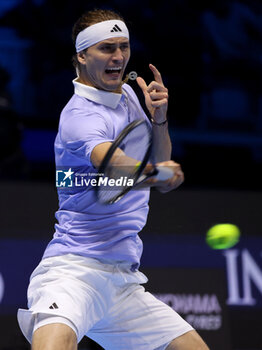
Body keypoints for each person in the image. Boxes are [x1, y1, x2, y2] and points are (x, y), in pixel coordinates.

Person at [17, 9, 209, 350]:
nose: (118, 57)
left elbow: (157, 161)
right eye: (107, 48)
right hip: (73, 271)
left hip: (123, 280)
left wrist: (159, 120)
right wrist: (159, 175)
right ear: (81, 55)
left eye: (124, 46)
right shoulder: (79, 116)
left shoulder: (129, 95)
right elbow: (114, 164)